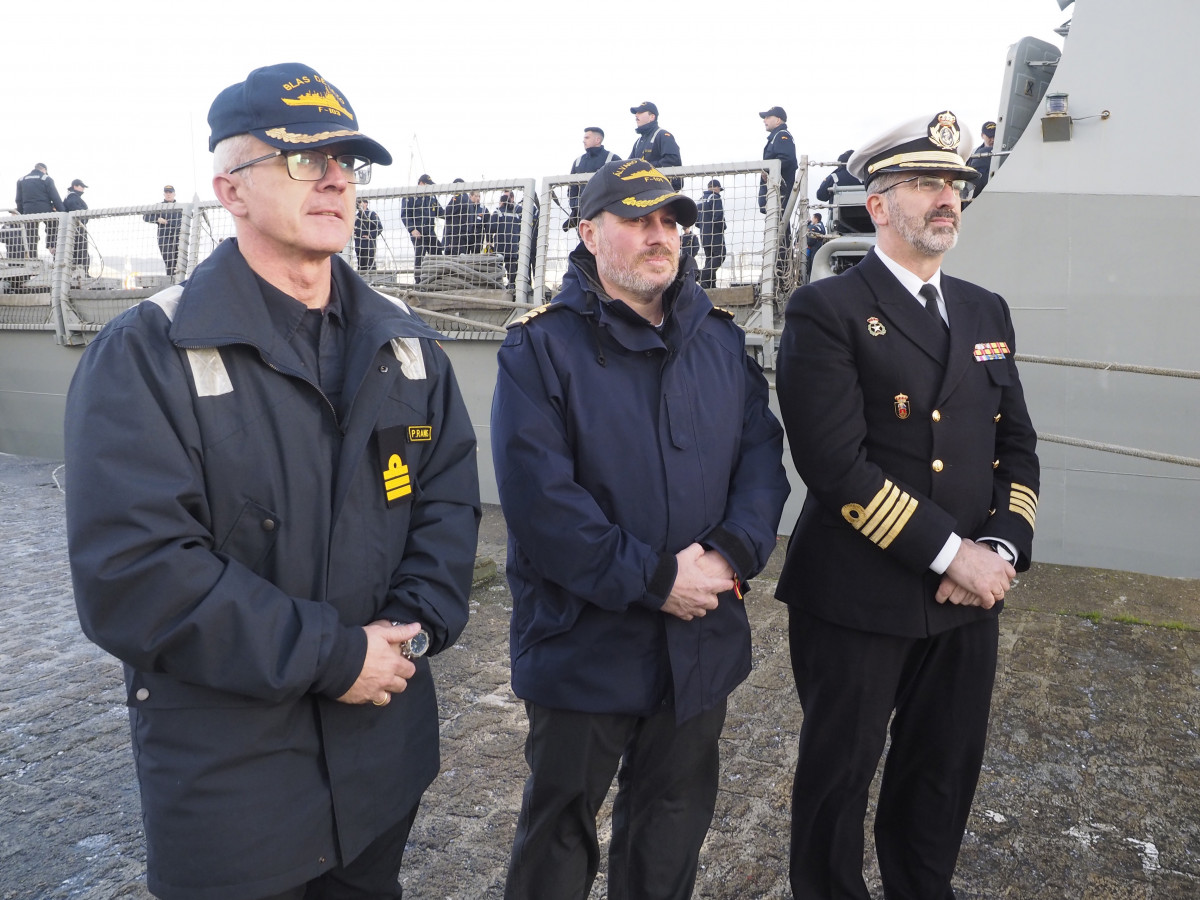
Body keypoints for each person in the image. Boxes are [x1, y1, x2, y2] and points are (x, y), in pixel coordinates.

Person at [64, 62, 481, 900]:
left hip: (380, 767)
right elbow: (136, 576)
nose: (334, 178)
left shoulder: (408, 348)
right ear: (231, 189)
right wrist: (336, 655)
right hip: (235, 798)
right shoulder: (150, 352)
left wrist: (415, 630)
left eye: (347, 163)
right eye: (301, 159)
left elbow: (446, 499)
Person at [493, 157, 789, 900]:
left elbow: (761, 460)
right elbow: (543, 506)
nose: (659, 237)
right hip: (583, 642)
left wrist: (728, 556)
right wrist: (658, 579)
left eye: (670, 222)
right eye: (637, 220)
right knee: (559, 836)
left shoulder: (720, 341)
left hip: (700, 643)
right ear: (590, 233)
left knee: (670, 830)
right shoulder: (541, 348)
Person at [775, 110, 1040, 900]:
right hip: (860, 594)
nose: (948, 199)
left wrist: (999, 550)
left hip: (968, 596)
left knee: (942, 771)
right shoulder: (827, 311)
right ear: (879, 202)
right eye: (926, 183)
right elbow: (834, 465)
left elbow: (1016, 447)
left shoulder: (986, 309)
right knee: (838, 780)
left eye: (955, 184)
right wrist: (951, 552)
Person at [565, 126, 621, 230]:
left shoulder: (613, 159)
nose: (583, 141)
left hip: (606, 214)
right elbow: (572, 189)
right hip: (583, 214)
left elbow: (621, 188)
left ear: (597, 140)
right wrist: (576, 207)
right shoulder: (578, 162)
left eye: (587, 137)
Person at [629, 101, 682, 189]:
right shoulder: (638, 142)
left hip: (663, 191)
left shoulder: (663, 136)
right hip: (643, 191)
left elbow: (672, 160)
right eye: (636, 113)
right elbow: (629, 165)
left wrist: (644, 167)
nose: (636, 116)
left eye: (640, 112)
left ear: (652, 117)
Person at [401, 173, 443, 284]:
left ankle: (437, 280)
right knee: (420, 256)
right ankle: (419, 283)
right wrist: (412, 229)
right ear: (421, 183)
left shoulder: (431, 197)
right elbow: (405, 214)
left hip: (429, 232)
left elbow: (442, 212)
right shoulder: (410, 196)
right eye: (428, 185)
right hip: (418, 233)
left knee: (438, 252)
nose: (430, 187)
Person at [14, 162, 63, 255]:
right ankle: (51, 245)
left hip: (28, 211)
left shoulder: (21, 180)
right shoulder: (46, 178)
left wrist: (21, 214)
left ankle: (32, 256)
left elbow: (18, 200)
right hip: (45, 210)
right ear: (44, 170)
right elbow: (55, 198)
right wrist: (63, 212)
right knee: (53, 224)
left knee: (31, 235)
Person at [758, 106, 798, 216]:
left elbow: (788, 159)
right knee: (777, 227)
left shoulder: (782, 135)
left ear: (778, 120)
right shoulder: (776, 136)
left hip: (779, 193)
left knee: (779, 227)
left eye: (768, 117)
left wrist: (769, 173)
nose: (764, 120)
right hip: (774, 193)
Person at [144, 185, 184, 278]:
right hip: (164, 239)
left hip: (179, 238)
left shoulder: (181, 207)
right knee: (169, 262)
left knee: (180, 262)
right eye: (167, 192)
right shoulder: (159, 206)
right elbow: (145, 217)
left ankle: (180, 281)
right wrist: (157, 219)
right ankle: (171, 282)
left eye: (170, 192)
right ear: (164, 194)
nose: (168, 194)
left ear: (174, 194)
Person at [488, 190, 522, 287]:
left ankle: (498, 286)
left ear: (501, 202)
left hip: (501, 247)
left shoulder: (498, 212)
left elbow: (491, 228)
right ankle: (512, 286)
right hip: (513, 247)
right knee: (512, 269)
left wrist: (489, 241)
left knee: (497, 268)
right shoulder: (516, 215)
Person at [696, 178, 726, 290]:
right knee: (720, 255)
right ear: (717, 188)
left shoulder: (700, 200)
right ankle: (704, 275)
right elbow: (718, 216)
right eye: (719, 189)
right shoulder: (715, 197)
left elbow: (697, 222)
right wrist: (723, 228)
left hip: (704, 234)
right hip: (715, 233)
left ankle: (709, 285)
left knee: (710, 258)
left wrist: (704, 228)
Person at [63, 178, 89, 276]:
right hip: (77, 227)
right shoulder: (72, 197)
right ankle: (82, 272)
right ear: (75, 186)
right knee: (81, 251)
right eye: (81, 186)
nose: (83, 189)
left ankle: (82, 271)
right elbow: (76, 210)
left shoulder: (70, 196)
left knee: (79, 251)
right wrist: (83, 219)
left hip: (76, 227)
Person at [353, 197, 382, 271]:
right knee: (360, 265)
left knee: (370, 264)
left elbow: (379, 227)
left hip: (368, 244)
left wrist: (370, 235)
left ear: (366, 203)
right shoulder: (356, 216)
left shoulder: (371, 214)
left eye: (360, 202)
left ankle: (373, 281)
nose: (358, 205)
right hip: (358, 244)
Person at [969, 121, 997, 195]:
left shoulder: (1002, 152)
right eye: (990, 136)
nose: (993, 139)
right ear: (982, 135)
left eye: (995, 136)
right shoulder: (972, 153)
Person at [804, 211, 826, 279]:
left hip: (815, 247)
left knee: (812, 264)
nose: (812, 219)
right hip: (816, 246)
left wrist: (808, 244)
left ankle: (810, 278)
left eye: (813, 218)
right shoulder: (821, 226)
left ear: (816, 219)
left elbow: (811, 239)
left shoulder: (816, 228)